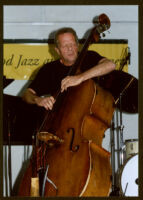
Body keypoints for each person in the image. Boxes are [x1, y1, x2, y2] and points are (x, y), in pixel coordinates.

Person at [22, 27, 115, 111]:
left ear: (77, 45)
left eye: (72, 44)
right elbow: (27, 94)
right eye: (65, 46)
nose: (70, 48)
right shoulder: (49, 69)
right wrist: (38, 99)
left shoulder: (88, 57)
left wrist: (80, 77)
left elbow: (110, 65)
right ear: (57, 50)